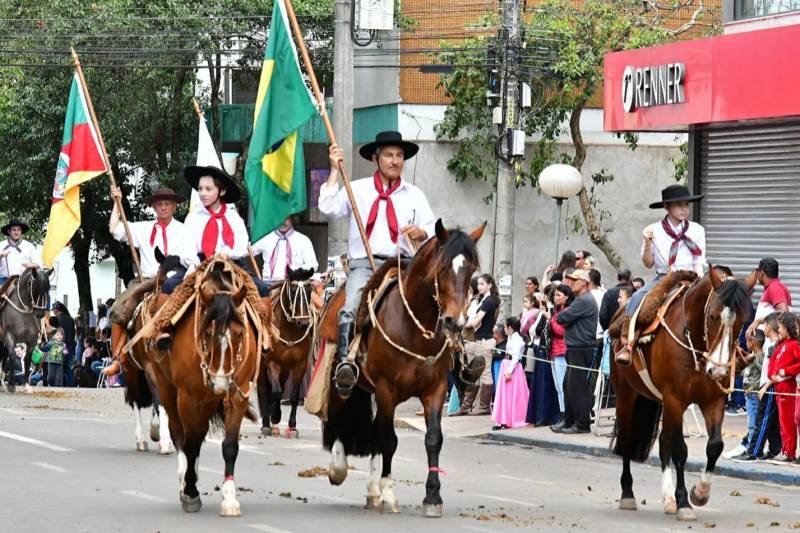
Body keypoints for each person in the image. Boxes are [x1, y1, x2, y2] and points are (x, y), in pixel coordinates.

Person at [322, 131, 436, 397]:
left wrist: (420, 232)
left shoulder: (415, 195)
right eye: (388, 155)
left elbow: (431, 231)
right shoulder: (357, 188)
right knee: (350, 306)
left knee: (439, 298)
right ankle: (345, 363)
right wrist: (333, 171)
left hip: (405, 264)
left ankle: (458, 360)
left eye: (399, 156)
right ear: (376, 158)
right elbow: (327, 207)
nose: (394, 161)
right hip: (366, 263)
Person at [615, 185, 706, 366]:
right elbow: (648, 263)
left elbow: (699, 260)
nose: (684, 209)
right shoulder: (653, 230)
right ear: (666, 207)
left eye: (686, 204)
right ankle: (628, 343)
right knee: (638, 296)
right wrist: (647, 244)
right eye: (678, 205)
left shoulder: (697, 230)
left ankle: (731, 352)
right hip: (664, 277)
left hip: (690, 276)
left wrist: (700, 282)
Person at [552, 269, 599, 434]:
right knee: (568, 386)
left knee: (577, 388)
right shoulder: (581, 300)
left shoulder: (583, 301)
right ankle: (570, 421)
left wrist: (565, 318)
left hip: (580, 348)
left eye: (575, 280)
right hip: (576, 348)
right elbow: (563, 319)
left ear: (584, 283)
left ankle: (582, 424)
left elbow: (561, 318)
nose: (570, 283)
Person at [452, 274, 500, 416]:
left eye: (482, 284)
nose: (479, 286)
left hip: (485, 341)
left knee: (484, 374)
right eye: (478, 284)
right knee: (473, 374)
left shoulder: (489, 301)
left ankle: (484, 407)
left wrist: (460, 325)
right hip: (477, 340)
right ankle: (466, 406)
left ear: (490, 285)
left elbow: (476, 322)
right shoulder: (482, 300)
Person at [760, 312, 800, 465]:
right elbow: (772, 364)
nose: (779, 330)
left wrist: (786, 371)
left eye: (781, 327)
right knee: (783, 421)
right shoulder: (780, 345)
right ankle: (785, 450)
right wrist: (772, 375)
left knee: (789, 421)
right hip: (778, 386)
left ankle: (789, 452)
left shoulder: (794, 345)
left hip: (787, 387)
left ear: (789, 327)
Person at [251, 215, 319, 284]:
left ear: (291, 220)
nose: (283, 222)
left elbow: (313, 264)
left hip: (293, 285)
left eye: (286, 219)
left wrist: (297, 272)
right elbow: (247, 251)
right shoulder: (265, 238)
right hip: (268, 285)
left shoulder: (303, 240)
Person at [492, 317, 530, 430]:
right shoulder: (511, 337)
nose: (504, 329)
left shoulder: (518, 340)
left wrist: (509, 371)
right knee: (504, 395)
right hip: (506, 364)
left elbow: (516, 358)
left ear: (510, 328)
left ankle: (512, 419)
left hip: (512, 368)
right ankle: (503, 419)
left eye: (505, 326)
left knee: (512, 395)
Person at [545, 284, 572, 430]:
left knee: (563, 385)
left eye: (559, 295)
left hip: (562, 351)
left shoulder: (567, 311)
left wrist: (550, 320)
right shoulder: (557, 312)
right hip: (554, 351)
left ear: (567, 297)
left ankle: (566, 416)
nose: (556, 298)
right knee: (558, 386)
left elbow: (561, 331)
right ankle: (562, 415)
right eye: (555, 295)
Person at [746, 258, 791, 337]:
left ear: (761, 273)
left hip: (771, 344)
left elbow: (784, 312)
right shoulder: (771, 287)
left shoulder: (775, 287)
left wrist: (758, 321)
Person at [0, 219, 38, 284]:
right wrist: (0, 256)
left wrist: (31, 265)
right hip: (3, 281)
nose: (17, 233)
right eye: (14, 230)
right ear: (9, 231)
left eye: (19, 230)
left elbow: (38, 263)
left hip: (23, 281)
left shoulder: (29, 246)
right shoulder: (1, 245)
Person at [51, 302, 76, 387]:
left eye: (54, 310)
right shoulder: (70, 319)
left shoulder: (58, 321)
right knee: (69, 369)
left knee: (59, 369)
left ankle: (60, 386)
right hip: (70, 347)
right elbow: (73, 334)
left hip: (60, 348)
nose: (53, 312)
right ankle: (72, 386)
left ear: (57, 310)